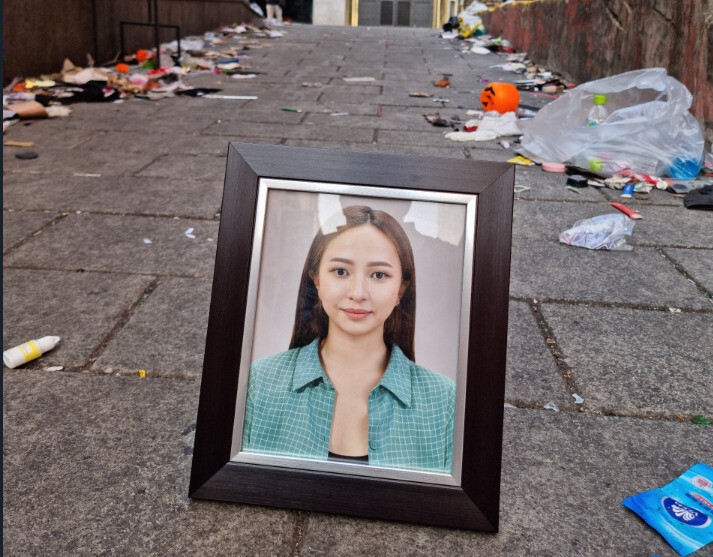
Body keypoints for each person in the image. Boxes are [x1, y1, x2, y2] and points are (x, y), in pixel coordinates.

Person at [242, 205, 455, 473]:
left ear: (401, 289)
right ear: (316, 279)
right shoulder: (260, 382)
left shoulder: (443, 401)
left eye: (379, 275)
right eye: (341, 271)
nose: (358, 293)